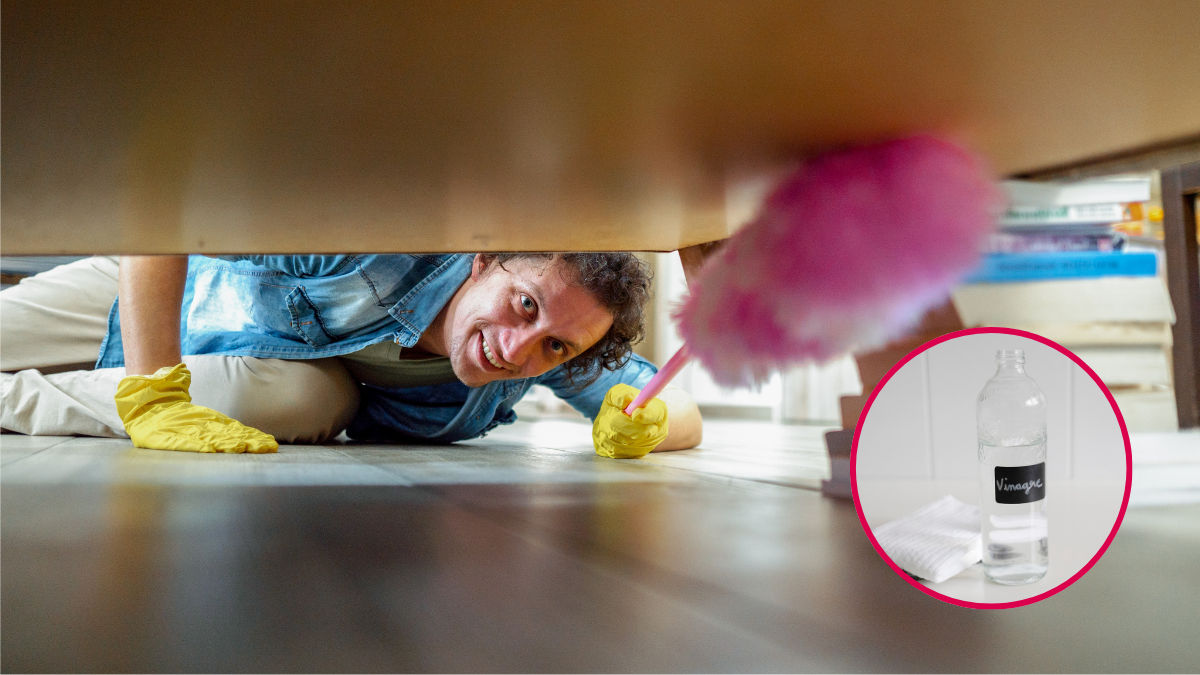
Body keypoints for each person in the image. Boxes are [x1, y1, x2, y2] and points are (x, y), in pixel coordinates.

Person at [0, 253, 701, 457]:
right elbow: (164, 214)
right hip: (145, 299)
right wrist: (153, 385)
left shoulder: (538, 362)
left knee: (307, 398)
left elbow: (680, 409)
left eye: (555, 345)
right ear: (486, 259)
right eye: (524, 304)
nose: (518, 349)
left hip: (249, 385)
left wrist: (642, 425)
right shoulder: (378, 238)